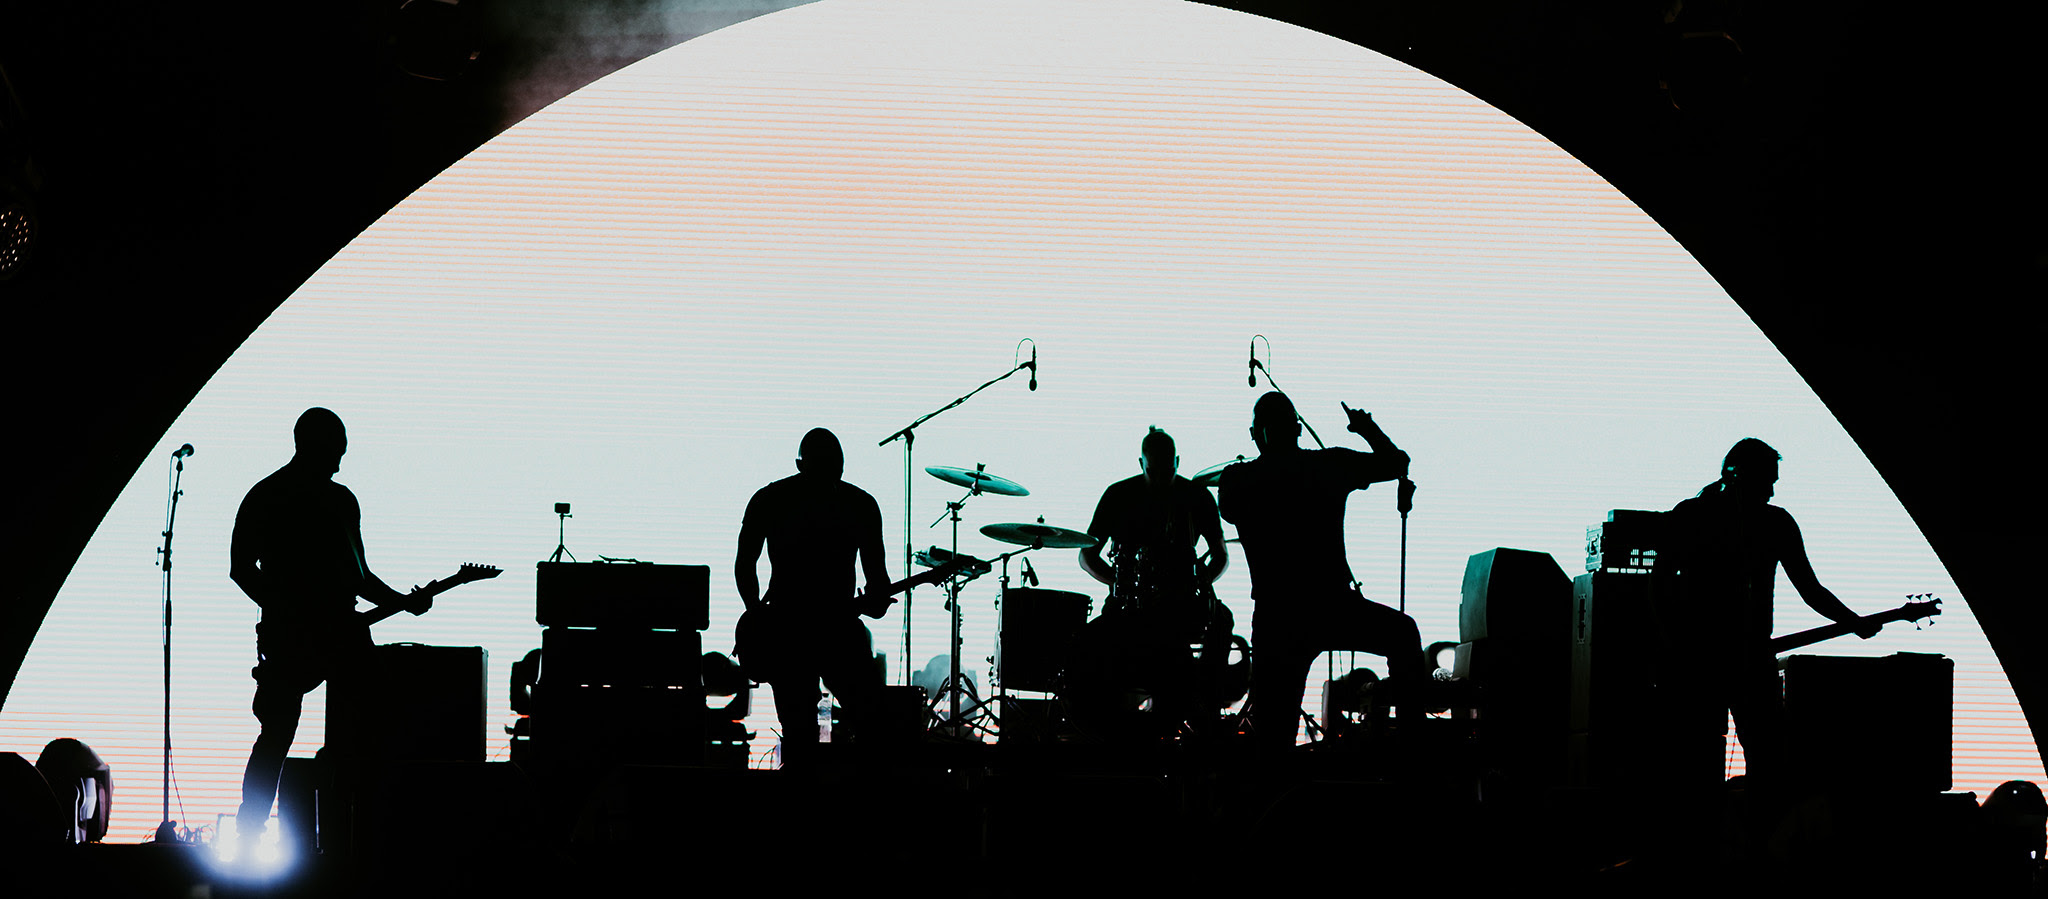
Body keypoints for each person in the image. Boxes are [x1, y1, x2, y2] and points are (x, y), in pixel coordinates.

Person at [230, 408, 421, 854]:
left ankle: (343, 828)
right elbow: (242, 569)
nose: (339, 463)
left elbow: (358, 578)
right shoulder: (281, 496)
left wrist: (401, 601)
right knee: (283, 734)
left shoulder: (277, 494)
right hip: (301, 633)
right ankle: (267, 834)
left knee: (311, 732)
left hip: (319, 631)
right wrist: (289, 609)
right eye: (336, 451)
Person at [1655, 438, 1876, 784]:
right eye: (1766, 482)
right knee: (1752, 755)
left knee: (1744, 756)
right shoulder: (1756, 521)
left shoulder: (1696, 515)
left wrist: (1852, 621)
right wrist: (1852, 621)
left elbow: (1660, 585)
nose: (1771, 492)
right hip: (1720, 658)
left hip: (1716, 658)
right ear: (1738, 475)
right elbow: (1810, 590)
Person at [1218, 392, 1424, 754]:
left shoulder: (1238, 479)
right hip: (1333, 606)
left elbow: (1231, 509)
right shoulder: (1329, 465)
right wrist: (1366, 428)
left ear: (1255, 434)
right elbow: (1396, 463)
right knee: (1403, 634)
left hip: (1277, 616)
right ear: (1298, 428)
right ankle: (1412, 754)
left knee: (1273, 737)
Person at [734, 428, 890, 768]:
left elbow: (744, 565)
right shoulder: (861, 504)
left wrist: (756, 613)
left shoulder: (769, 498)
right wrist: (874, 602)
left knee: (800, 735)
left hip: (789, 631)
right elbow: (878, 583)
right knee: (870, 725)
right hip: (833, 629)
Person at [1072, 426, 1232, 735]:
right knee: (1091, 645)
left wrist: (1201, 583)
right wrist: (1118, 583)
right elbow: (1086, 555)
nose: (1160, 479)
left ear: (1178, 462)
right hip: (1129, 602)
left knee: (1221, 620)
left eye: (1167, 471)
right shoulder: (1118, 494)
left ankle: (1206, 706)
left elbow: (1220, 555)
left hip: (1182, 600)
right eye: (1153, 472)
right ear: (1141, 464)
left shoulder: (1196, 496)